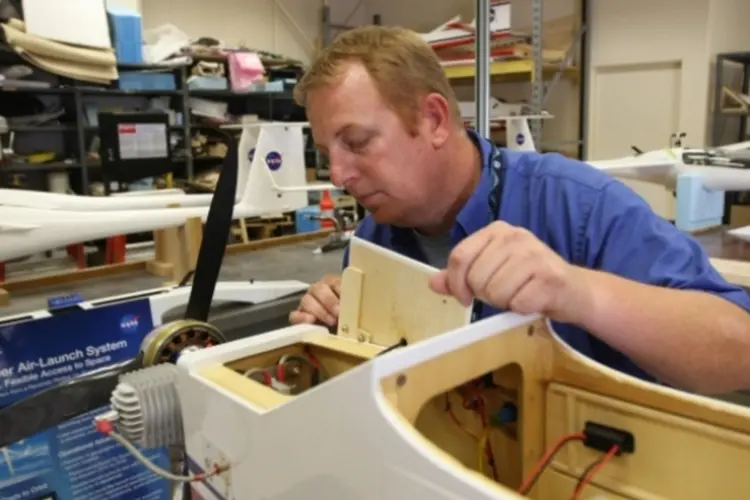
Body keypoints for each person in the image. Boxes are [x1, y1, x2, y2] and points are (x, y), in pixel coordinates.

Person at [288, 25, 750, 394]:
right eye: (328, 152)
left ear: (432, 119)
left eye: (356, 142)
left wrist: (582, 294)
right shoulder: (373, 241)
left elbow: (740, 351)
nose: (339, 175)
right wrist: (330, 333)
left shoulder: (577, 205)